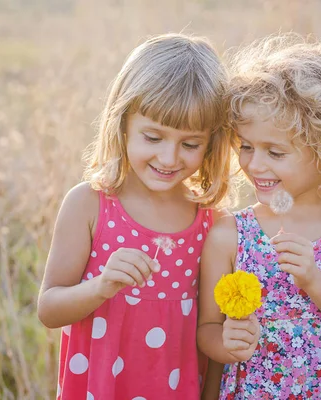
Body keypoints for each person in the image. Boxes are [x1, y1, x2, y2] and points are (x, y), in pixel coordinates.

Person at [198, 34, 321, 399]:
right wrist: (228, 343)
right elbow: (208, 331)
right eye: (245, 146)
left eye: (275, 152)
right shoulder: (230, 233)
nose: (254, 164)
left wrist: (313, 279)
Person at [37, 33, 237, 400]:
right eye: (153, 137)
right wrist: (100, 287)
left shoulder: (211, 223)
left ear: (212, 143)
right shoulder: (90, 205)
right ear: (124, 123)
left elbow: (212, 330)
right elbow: (49, 309)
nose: (169, 157)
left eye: (190, 143)